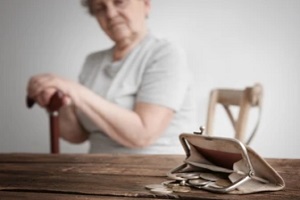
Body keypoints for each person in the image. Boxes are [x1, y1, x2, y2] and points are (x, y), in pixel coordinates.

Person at [26, 0, 196, 154]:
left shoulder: (166, 53)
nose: (111, 14)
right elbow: (77, 136)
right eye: (100, 8)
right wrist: (56, 101)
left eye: (119, 2)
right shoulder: (93, 61)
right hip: (98, 169)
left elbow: (143, 135)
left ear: (146, 4)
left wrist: (73, 89)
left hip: (155, 173)